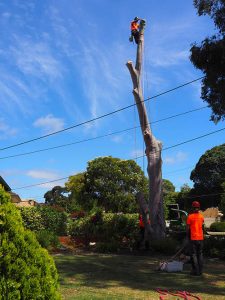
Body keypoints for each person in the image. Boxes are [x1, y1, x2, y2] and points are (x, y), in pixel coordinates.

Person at [186, 201, 204, 276]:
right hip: (200, 238)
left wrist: (187, 236)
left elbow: (187, 228)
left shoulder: (190, 216)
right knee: (200, 254)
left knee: (193, 255)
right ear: (199, 208)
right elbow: (202, 226)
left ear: (192, 207)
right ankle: (200, 271)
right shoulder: (201, 216)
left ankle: (195, 271)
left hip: (193, 238)